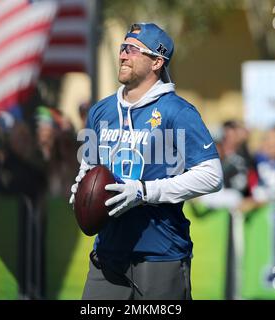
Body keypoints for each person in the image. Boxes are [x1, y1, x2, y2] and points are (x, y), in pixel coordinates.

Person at [69, 22, 223, 300]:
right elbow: (89, 166)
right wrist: (81, 186)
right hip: (107, 253)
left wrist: (144, 191)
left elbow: (212, 175)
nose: (123, 55)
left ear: (156, 62)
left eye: (132, 50)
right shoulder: (100, 110)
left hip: (160, 253)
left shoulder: (178, 111)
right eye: (122, 48)